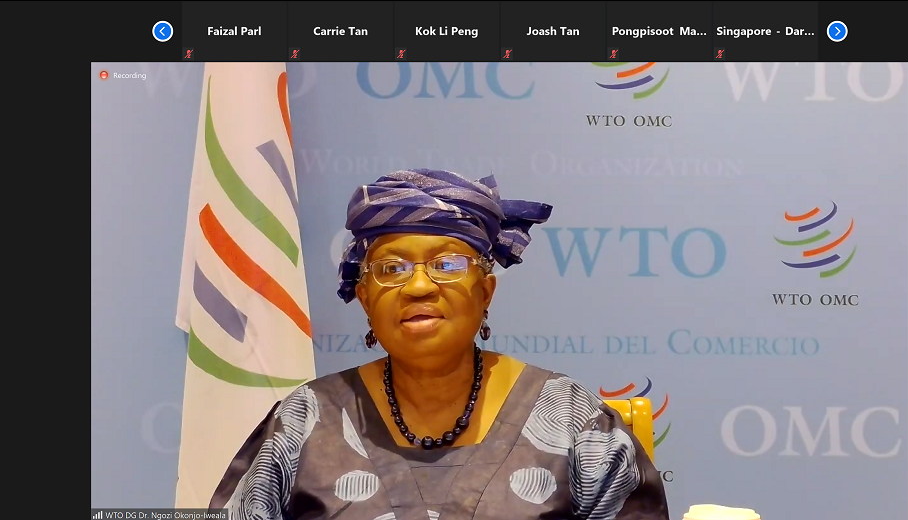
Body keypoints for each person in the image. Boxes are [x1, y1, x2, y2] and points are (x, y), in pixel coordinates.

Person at [210, 169, 670, 519]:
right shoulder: (304, 421)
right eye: (391, 269)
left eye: (447, 265)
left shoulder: (573, 421)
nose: (418, 288)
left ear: (486, 292)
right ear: (365, 298)